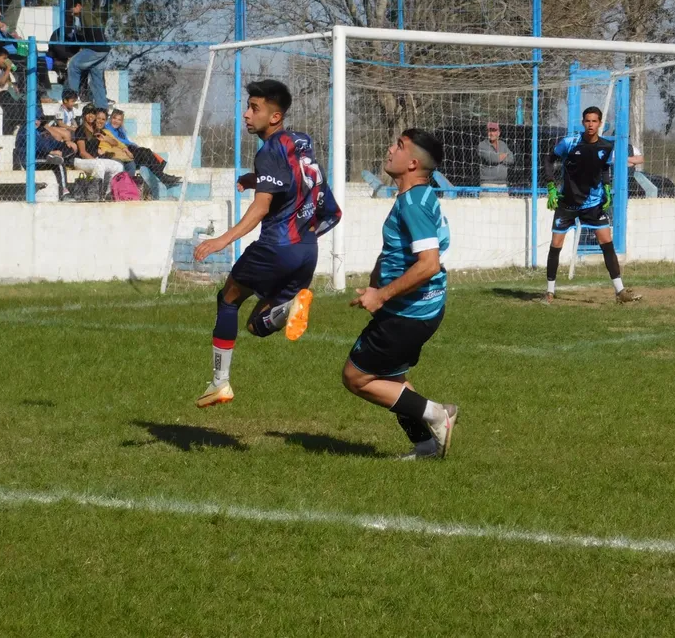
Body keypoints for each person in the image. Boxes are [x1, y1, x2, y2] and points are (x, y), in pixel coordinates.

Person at [192, 79, 342, 409]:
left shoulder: (268, 152)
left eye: (254, 108)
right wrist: (257, 179)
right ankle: (284, 311)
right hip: (307, 249)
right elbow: (295, 179)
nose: (246, 114)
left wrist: (222, 240)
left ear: (274, 117)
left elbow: (261, 208)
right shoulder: (301, 141)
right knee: (256, 324)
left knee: (228, 299)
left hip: (276, 246)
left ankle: (219, 383)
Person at [344, 128, 457, 460]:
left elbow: (428, 265)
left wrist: (381, 296)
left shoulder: (413, 204)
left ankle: (439, 414)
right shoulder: (418, 198)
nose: (390, 149)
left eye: (399, 146)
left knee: (356, 378)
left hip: (409, 313)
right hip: (417, 309)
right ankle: (426, 446)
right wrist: (379, 287)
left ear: (412, 163)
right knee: (392, 378)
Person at [545, 106, 641, 304]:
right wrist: (551, 187)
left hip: (593, 204)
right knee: (556, 244)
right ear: (583, 123)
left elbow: (604, 168)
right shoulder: (569, 143)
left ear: (600, 124)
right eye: (587, 121)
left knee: (607, 243)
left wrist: (606, 187)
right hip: (568, 203)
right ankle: (549, 292)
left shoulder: (606, 147)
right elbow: (549, 160)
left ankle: (620, 291)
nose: (590, 125)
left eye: (594, 121)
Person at [0, 7, 52, 99]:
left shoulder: (0, 30)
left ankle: (44, 92)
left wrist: (7, 32)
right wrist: (6, 37)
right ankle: (27, 93)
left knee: (41, 61)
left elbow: (14, 42)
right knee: (24, 64)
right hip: (4, 56)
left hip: (16, 54)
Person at [103, 108, 181, 187]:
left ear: (122, 121)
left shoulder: (120, 131)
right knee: (145, 152)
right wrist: (132, 144)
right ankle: (163, 177)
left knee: (146, 152)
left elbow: (126, 141)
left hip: (129, 149)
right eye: (114, 118)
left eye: (119, 119)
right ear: (110, 118)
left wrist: (134, 145)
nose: (116, 121)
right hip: (121, 150)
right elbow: (117, 141)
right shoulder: (107, 128)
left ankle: (163, 177)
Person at [67, 6, 110, 109]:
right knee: (96, 78)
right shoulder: (82, 16)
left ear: (78, 6)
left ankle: (73, 97)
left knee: (73, 64)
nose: (70, 11)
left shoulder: (85, 13)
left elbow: (89, 31)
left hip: (95, 48)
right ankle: (102, 107)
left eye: (71, 8)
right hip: (102, 49)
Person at [73, 104, 124, 182]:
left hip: (94, 160)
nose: (90, 115)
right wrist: (95, 160)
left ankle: (108, 192)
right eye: (87, 113)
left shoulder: (96, 130)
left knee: (118, 166)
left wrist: (105, 138)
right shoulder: (81, 129)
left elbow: (115, 143)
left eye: (93, 113)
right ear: (83, 115)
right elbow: (82, 153)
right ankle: (95, 191)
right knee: (99, 165)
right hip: (81, 161)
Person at [0, 47, 24, 135]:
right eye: (4, 58)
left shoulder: (2, 69)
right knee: (7, 98)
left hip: (6, 93)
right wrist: (8, 69)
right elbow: (1, 82)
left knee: (21, 101)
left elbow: (8, 82)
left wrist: (13, 86)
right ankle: (12, 126)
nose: (6, 61)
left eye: (7, 58)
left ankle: (18, 124)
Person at [48, 0, 83, 78]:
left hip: (71, 59)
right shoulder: (57, 34)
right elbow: (56, 50)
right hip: (61, 60)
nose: (70, 21)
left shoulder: (76, 34)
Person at [477, 121, 514, 187]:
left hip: (503, 184)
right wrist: (503, 156)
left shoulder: (503, 144)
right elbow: (492, 159)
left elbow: (511, 159)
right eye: (489, 131)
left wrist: (499, 158)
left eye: (494, 131)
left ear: (499, 133)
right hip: (488, 184)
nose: (491, 133)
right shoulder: (482, 145)